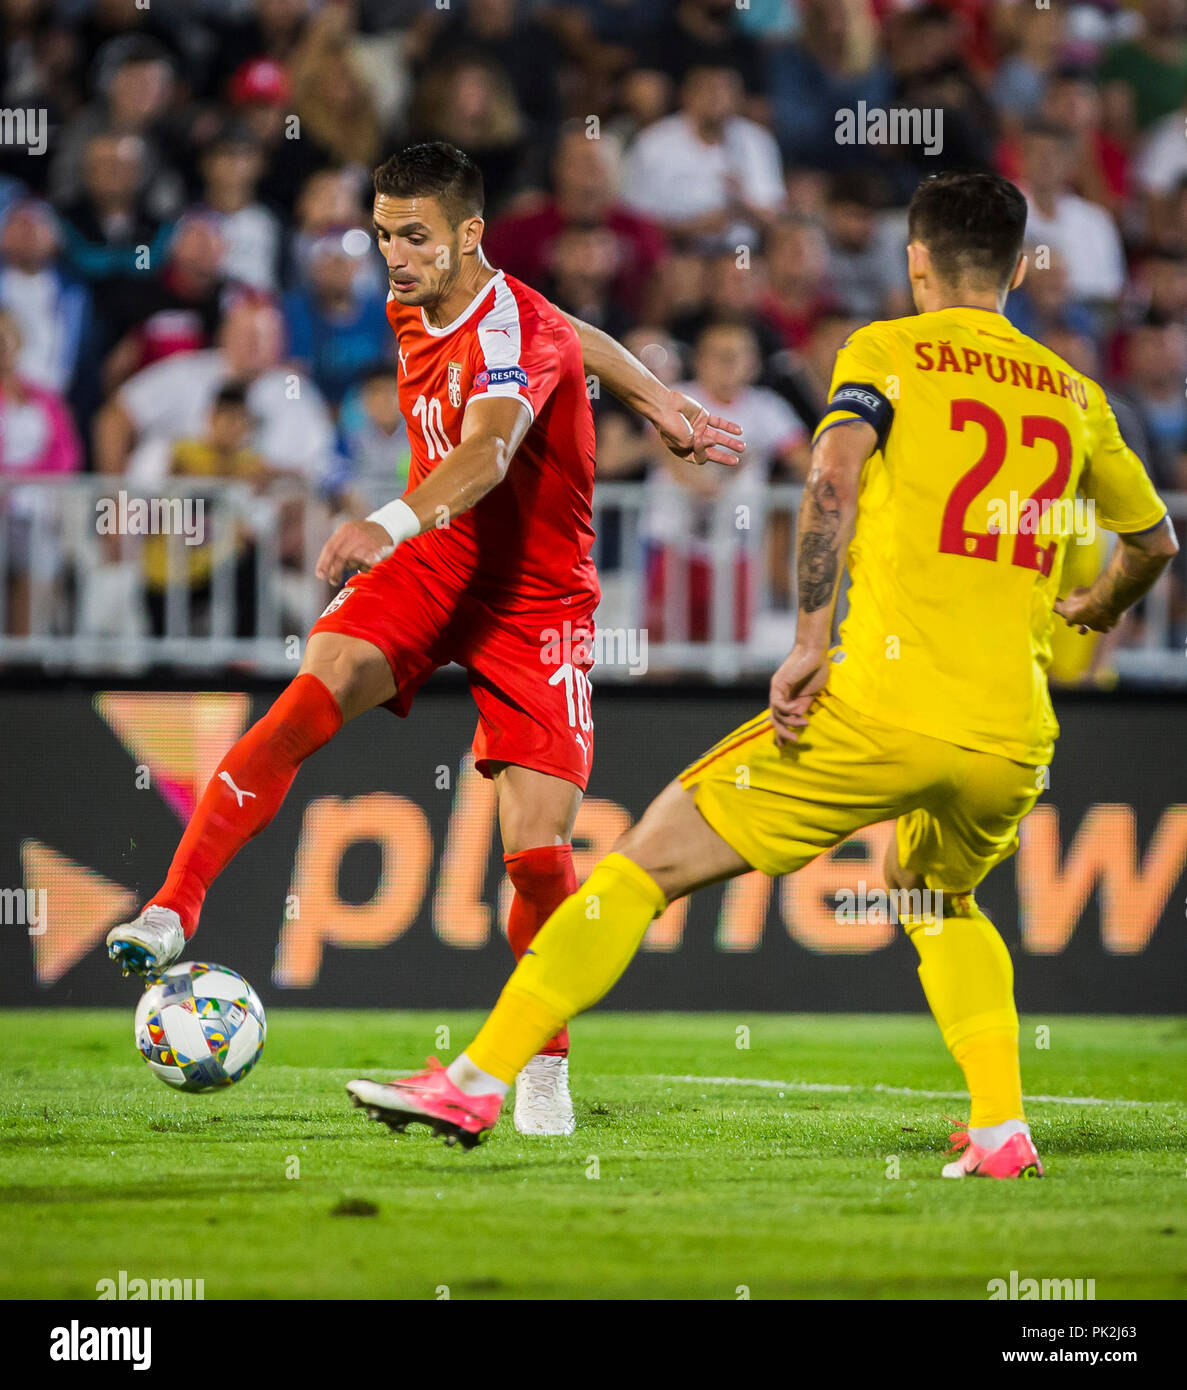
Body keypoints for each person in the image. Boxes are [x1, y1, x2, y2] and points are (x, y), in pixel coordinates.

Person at [355, 171, 1179, 1177]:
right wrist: (1101, 606)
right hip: (1010, 734)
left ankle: (477, 1080)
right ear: (1016, 266)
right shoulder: (1075, 394)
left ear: (914, 260)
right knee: (929, 896)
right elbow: (1153, 540)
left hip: (878, 706)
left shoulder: (886, 351)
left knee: (639, 863)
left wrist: (806, 639)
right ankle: (1002, 1129)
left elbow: (830, 475)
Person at [106, 142, 744, 1138]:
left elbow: (490, 450)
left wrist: (387, 520)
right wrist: (658, 398)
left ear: (467, 235)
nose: (393, 255)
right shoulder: (422, 300)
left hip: (535, 601)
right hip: (435, 566)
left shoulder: (514, 329)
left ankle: (541, 1064)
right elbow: (586, 331)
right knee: (303, 703)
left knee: (536, 856)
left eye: (413, 236)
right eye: (382, 232)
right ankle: (171, 907)